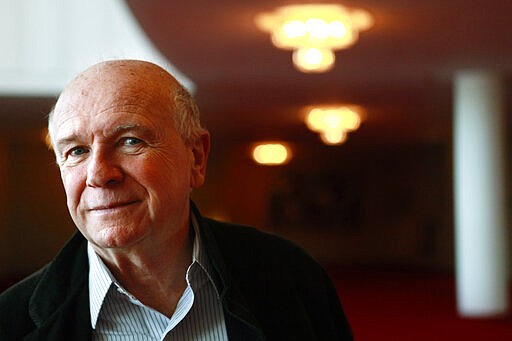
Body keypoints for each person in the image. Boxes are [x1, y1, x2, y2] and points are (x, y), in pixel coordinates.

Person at [0, 60, 353, 340]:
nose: (98, 174)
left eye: (130, 141)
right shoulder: (11, 323)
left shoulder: (292, 278)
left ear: (196, 158)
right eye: (76, 151)